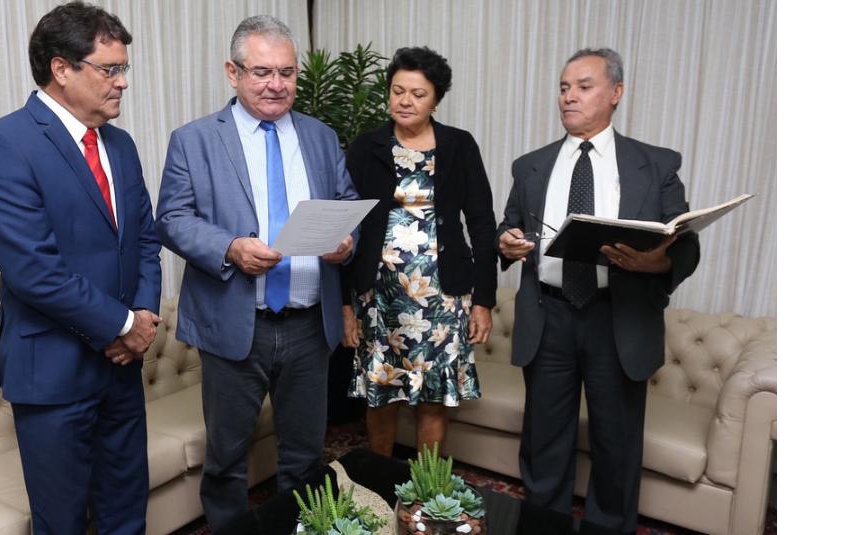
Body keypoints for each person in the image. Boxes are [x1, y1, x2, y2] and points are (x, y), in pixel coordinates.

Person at [0, 2, 162, 533]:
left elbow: (145, 239)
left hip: (122, 367)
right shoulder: (3, 144)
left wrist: (143, 316)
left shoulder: (120, 145)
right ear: (61, 68)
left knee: (127, 513)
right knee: (63, 523)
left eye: (124, 68)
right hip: (53, 372)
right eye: (110, 69)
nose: (122, 82)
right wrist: (123, 325)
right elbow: (34, 270)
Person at [155, 15, 358, 530]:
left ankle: (301, 527)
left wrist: (346, 242)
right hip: (234, 322)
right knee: (226, 459)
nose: (276, 84)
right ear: (233, 72)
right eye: (262, 72)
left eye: (286, 73)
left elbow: (347, 203)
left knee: (305, 454)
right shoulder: (194, 140)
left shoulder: (321, 136)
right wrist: (229, 248)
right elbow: (172, 219)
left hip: (309, 325)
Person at [497, 48, 700, 535]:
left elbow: (686, 244)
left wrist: (657, 262)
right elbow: (509, 227)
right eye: (564, 87)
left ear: (616, 93)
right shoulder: (531, 166)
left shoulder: (655, 165)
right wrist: (505, 242)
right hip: (548, 318)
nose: (569, 97)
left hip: (618, 319)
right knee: (543, 444)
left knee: (616, 446)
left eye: (583, 87)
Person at [342, 46, 497, 457]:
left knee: (434, 396)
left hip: (443, 296)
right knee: (381, 393)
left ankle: (426, 487)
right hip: (378, 297)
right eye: (397, 91)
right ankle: (379, 480)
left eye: (418, 93)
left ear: (436, 99)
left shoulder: (459, 145)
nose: (405, 101)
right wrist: (345, 304)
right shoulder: (365, 146)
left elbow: (482, 224)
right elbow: (344, 228)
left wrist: (484, 300)